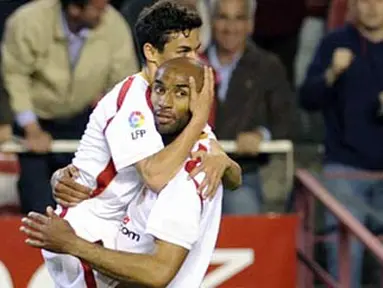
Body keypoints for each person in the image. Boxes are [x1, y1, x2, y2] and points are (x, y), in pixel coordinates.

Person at [21, 1, 241, 287]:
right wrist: (199, 121)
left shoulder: (170, 100)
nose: (195, 60)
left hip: (118, 233)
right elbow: (155, 176)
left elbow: (231, 177)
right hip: (84, 229)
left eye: (197, 50)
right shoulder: (133, 103)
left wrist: (223, 161)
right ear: (151, 52)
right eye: (184, 51)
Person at [1, 0, 139, 214]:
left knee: (83, 204)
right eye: (97, 9)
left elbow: (123, 84)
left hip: (82, 120)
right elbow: (15, 77)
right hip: (34, 121)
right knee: (39, 206)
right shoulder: (28, 22)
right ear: (75, 8)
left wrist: (119, 130)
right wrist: (31, 128)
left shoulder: (114, 25)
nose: (105, 14)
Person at [300, 0, 383, 286]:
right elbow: (306, 99)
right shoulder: (334, 43)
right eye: (364, 0)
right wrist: (331, 75)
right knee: (348, 251)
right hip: (344, 170)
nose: (372, 7)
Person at [201, 0, 293, 214]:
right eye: (223, 17)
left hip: (243, 172)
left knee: (244, 207)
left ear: (250, 24)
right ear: (212, 22)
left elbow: (286, 120)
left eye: (239, 19)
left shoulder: (269, 66)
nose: (230, 27)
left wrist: (262, 135)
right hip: (196, 171)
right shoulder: (194, 64)